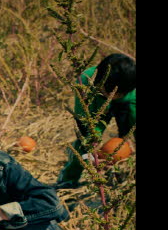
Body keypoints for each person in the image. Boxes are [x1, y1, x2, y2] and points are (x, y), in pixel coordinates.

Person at [56, 53, 136, 188]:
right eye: (108, 92)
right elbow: (85, 123)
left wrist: (127, 137)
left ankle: (124, 178)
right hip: (96, 107)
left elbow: (132, 114)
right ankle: (68, 180)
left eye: (117, 94)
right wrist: (92, 150)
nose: (112, 95)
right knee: (82, 146)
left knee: (124, 144)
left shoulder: (130, 87)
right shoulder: (84, 83)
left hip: (125, 104)